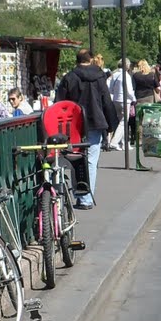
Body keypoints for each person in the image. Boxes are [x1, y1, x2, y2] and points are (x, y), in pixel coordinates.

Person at [55, 49, 118, 207]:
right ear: (91, 60)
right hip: (95, 122)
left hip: (74, 124)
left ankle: (78, 194)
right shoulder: (99, 77)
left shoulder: (69, 77)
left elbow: (59, 103)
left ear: (77, 60)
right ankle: (86, 198)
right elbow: (106, 101)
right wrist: (111, 124)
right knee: (91, 160)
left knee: (75, 158)